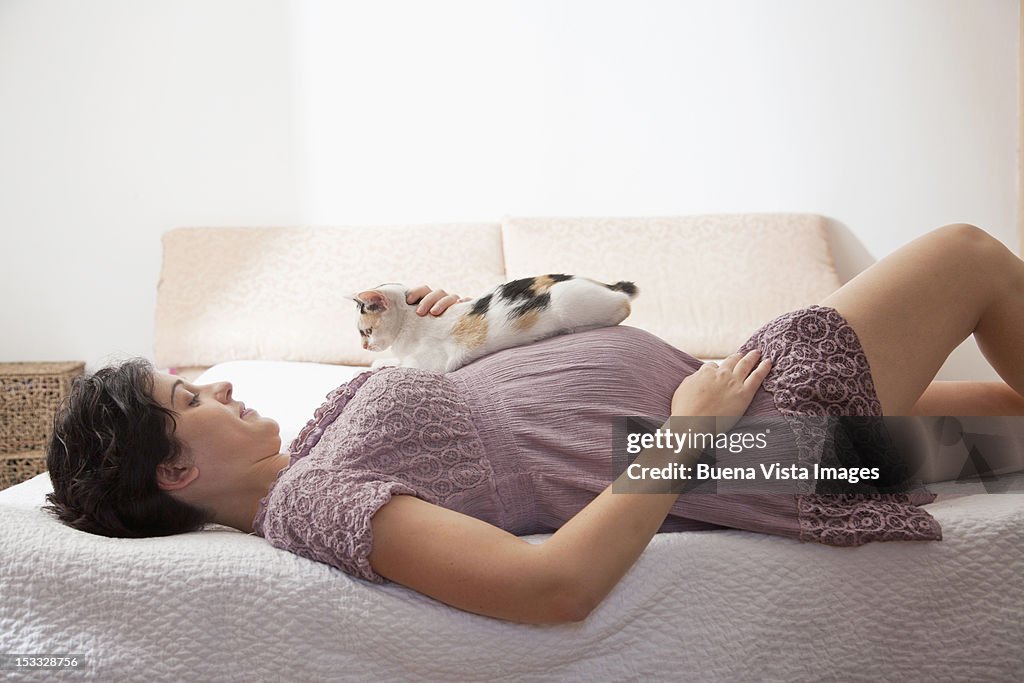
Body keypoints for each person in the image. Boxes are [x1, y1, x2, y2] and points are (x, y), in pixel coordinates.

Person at [45, 223, 1024, 625]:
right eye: (189, 402)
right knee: (969, 256)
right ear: (173, 472)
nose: (217, 389)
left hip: (733, 407)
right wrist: (690, 425)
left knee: (1004, 429)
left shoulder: (314, 463)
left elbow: (482, 431)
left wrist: (445, 338)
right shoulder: (310, 502)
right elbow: (550, 586)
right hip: (748, 433)